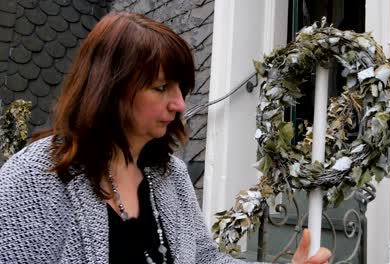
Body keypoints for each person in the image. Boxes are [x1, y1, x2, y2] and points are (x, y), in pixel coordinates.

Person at [0, 12, 331, 264]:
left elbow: (204, 259)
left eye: (181, 89)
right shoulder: (37, 175)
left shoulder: (170, 174)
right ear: (108, 89)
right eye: (161, 88)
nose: (180, 104)